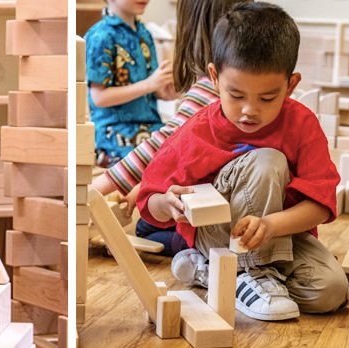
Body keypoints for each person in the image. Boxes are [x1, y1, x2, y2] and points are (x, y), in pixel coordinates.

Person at [137, 2, 349, 321]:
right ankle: (249, 272)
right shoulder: (197, 129)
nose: (250, 110)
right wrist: (166, 203)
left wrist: (269, 226)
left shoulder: (302, 124)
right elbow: (149, 200)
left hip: (276, 232)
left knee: (331, 292)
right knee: (268, 161)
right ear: (214, 77)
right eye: (236, 95)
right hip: (218, 233)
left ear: (291, 85)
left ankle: (212, 273)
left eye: (267, 98)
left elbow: (320, 205)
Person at [90, 0, 250, 256]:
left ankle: (201, 246)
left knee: (145, 226)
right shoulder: (103, 35)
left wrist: (93, 190)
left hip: (222, 211)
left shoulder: (213, 85)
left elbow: (164, 143)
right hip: (118, 138)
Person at [85, 0, 177, 168]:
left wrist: (166, 90)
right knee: (152, 170)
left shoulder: (144, 33)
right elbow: (99, 98)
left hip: (151, 128)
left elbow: (151, 89)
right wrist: (150, 84)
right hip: (115, 134)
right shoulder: (100, 36)